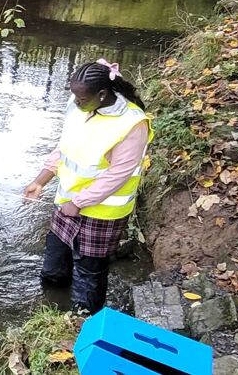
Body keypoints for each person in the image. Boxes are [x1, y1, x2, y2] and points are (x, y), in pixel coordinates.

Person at [23, 59, 153, 314]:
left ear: (102, 94)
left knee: (89, 272)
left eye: (81, 98)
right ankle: (51, 305)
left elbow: (118, 174)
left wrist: (78, 202)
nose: (75, 101)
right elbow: (64, 147)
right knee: (53, 266)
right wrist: (40, 181)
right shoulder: (79, 106)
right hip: (67, 203)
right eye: (74, 96)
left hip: (101, 213)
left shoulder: (132, 124)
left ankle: (83, 319)